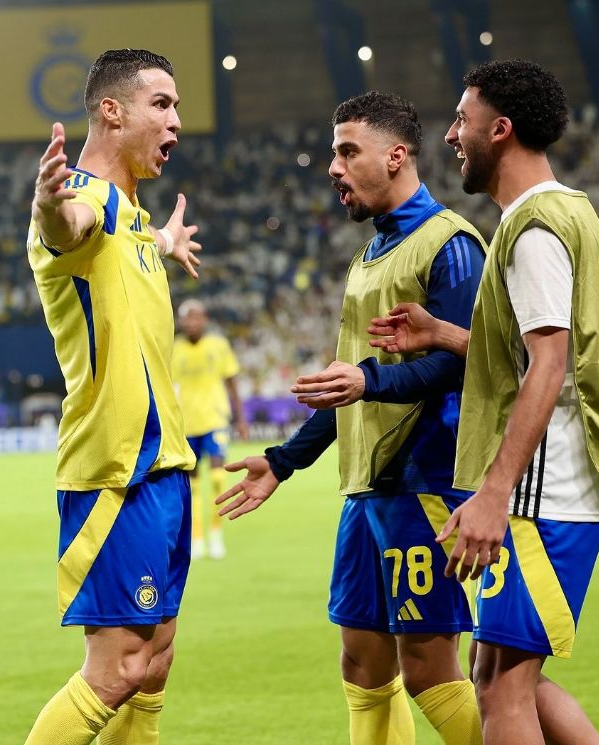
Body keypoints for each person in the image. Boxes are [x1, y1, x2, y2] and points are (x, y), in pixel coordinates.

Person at [372, 59, 599, 745]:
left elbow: (549, 363)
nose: (451, 134)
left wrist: (493, 493)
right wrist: (443, 332)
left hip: (547, 487)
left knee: (501, 688)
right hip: (559, 482)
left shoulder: (533, 229)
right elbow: (530, 351)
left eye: (462, 119)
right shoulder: (564, 210)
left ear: (500, 129)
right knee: (502, 675)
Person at [218, 91, 487, 745]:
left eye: (346, 152)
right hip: (368, 488)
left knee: (428, 667)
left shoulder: (450, 245)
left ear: (396, 155)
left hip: (425, 480)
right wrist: (283, 460)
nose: (333, 168)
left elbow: (465, 365)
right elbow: (351, 389)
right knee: (363, 664)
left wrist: (368, 379)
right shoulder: (370, 257)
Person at [24, 49, 203, 745]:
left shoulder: (128, 213)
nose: (176, 120)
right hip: (116, 470)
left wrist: (161, 241)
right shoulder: (85, 198)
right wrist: (48, 207)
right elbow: (69, 227)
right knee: (119, 667)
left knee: (153, 662)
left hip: (164, 466)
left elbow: (121, 237)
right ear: (111, 111)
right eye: (161, 104)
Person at [172, 298, 248, 559]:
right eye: (187, 317)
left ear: (205, 319)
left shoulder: (218, 345)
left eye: (196, 317)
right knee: (191, 486)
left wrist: (241, 419)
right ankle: (196, 538)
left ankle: (216, 534)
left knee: (217, 479)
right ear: (181, 321)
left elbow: (232, 383)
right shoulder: (174, 349)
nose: (192, 322)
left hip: (215, 420)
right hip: (186, 424)